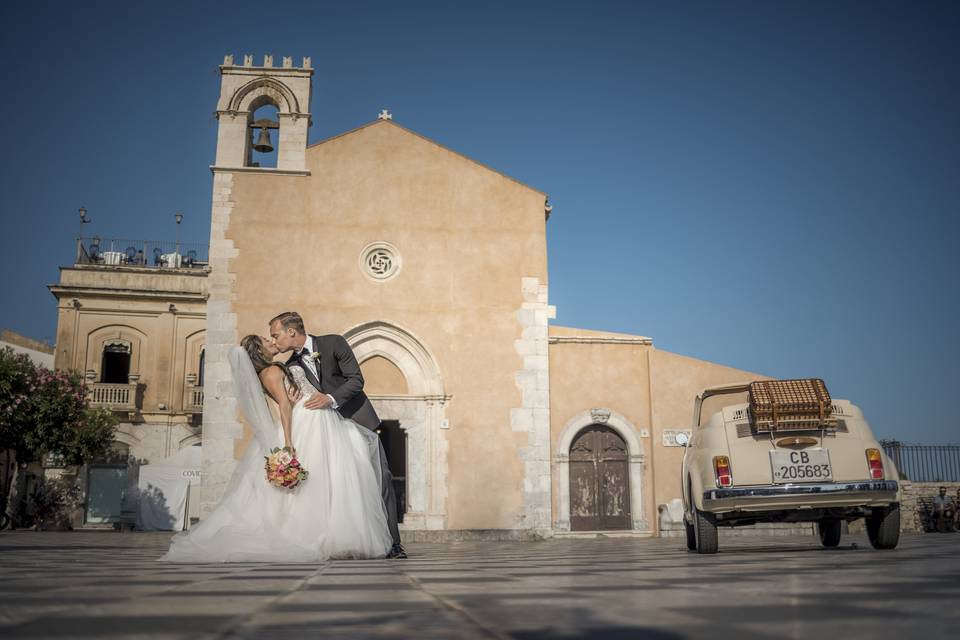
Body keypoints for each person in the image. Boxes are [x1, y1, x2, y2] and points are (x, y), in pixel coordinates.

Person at [161, 335, 393, 562]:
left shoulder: (276, 368)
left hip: (316, 417)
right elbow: (284, 407)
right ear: (259, 351)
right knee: (322, 478)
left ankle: (330, 533)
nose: (272, 341)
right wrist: (290, 443)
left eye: (273, 336)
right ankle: (320, 535)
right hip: (306, 422)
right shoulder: (271, 372)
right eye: (267, 340)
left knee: (327, 476)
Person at [269, 311, 407, 559]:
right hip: (325, 433)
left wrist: (330, 399)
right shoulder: (290, 365)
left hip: (357, 420)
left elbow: (356, 380)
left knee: (379, 479)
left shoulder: (333, 343)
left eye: (276, 335)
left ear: (291, 331)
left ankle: (393, 543)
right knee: (342, 484)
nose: (275, 340)